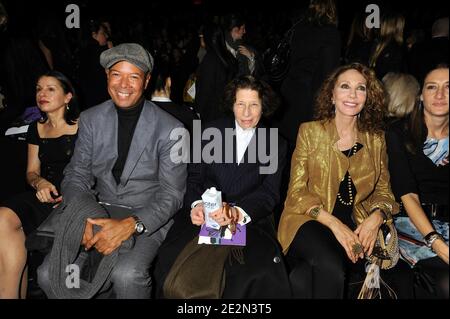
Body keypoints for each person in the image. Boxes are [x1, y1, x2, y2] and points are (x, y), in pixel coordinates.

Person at [37, 43, 187, 299]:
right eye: (117, 74)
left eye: (134, 76)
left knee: (126, 275)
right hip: (95, 211)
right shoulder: (92, 119)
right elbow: (77, 174)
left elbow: (172, 194)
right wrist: (81, 214)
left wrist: (133, 224)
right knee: (50, 274)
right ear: (107, 76)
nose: (123, 84)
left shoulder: (174, 129)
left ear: (147, 80)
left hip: (144, 215)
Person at [278, 63, 413, 298]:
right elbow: (296, 192)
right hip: (310, 217)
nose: (352, 95)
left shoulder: (376, 139)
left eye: (361, 88)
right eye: (345, 86)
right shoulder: (310, 132)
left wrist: (376, 217)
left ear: (368, 97)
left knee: (401, 276)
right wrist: (335, 225)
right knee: (331, 265)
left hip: (357, 221)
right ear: (331, 95)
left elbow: (384, 191)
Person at [153, 75, 291, 299]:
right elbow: (193, 178)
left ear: (263, 106)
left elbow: (269, 193)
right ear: (232, 104)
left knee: (250, 273)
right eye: (241, 104)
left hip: (250, 217)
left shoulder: (275, 142)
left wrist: (238, 213)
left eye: (254, 104)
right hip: (204, 214)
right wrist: (197, 205)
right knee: (170, 259)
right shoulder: (209, 132)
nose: (246, 113)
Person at [0, 70, 79, 298]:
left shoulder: (85, 126)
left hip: (74, 196)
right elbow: (31, 172)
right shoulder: (36, 127)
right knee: (4, 216)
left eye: (50, 89)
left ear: (67, 97)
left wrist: (73, 195)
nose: (41, 94)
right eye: (38, 89)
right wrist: (39, 182)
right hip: (43, 194)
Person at [386, 64, 449, 298]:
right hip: (410, 224)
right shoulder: (398, 133)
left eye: (448, 87)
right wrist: (436, 242)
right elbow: (408, 194)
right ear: (421, 95)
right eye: (432, 87)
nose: (440, 95)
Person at [278, 0, 341, 149]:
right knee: (308, 151)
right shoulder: (330, 34)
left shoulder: (298, 28)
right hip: (310, 99)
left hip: (288, 93)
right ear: (331, 10)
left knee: (288, 148)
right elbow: (329, 75)